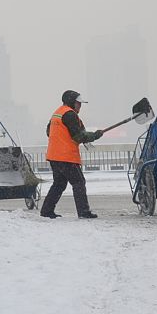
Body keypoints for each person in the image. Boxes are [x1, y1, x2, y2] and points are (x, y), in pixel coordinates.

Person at [41, 90, 103, 219]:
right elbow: (79, 136)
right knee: (79, 182)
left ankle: (46, 211)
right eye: (78, 103)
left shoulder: (57, 113)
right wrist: (95, 135)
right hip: (66, 157)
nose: (80, 106)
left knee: (59, 184)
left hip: (54, 156)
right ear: (71, 102)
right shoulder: (70, 114)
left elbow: (48, 132)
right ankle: (83, 212)